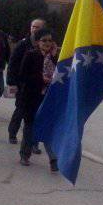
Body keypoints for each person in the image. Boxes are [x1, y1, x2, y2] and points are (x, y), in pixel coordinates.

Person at [17, 28, 58, 171]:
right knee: (29, 127)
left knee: (48, 127)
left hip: (47, 98)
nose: (47, 43)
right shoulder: (31, 55)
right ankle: (25, 154)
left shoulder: (55, 58)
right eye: (44, 40)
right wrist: (41, 79)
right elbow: (22, 75)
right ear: (37, 42)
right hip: (31, 98)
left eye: (50, 40)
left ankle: (53, 159)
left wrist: (53, 57)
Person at [7, 18, 46, 144]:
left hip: (39, 86)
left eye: (38, 27)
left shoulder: (47, 44)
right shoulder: (23, 44)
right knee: (20, 110)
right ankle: (12, 133)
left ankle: (32, 141)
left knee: (36, 114)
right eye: (33, 26)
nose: (34, 29)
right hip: (22, 84)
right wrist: (12, 82)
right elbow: (13, 63)